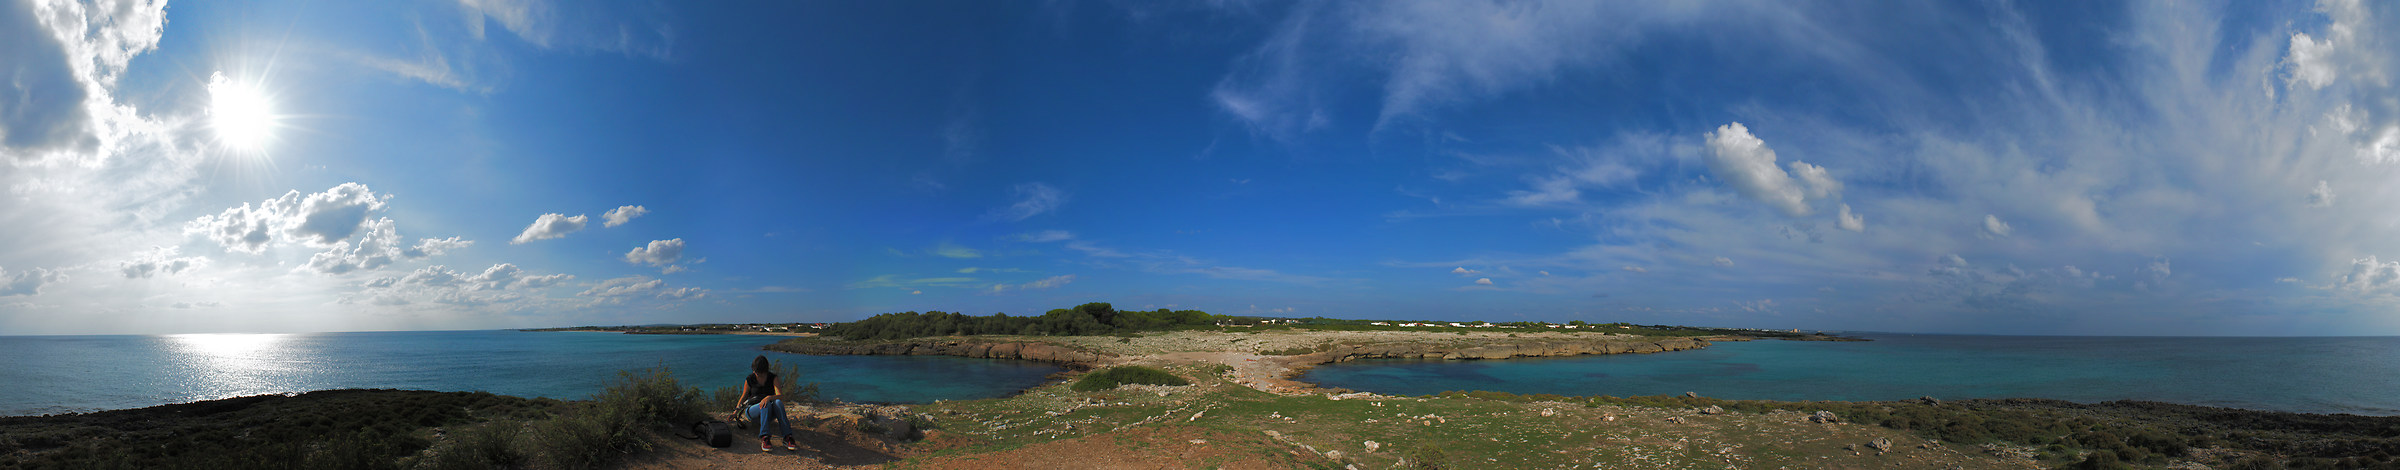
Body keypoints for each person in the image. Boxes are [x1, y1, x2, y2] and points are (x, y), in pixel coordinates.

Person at [739, 355, 798, 452]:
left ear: (765, 371)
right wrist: (735, 411)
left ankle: (787, 436)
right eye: (755, 371)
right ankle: (765, 437)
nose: (756, 374)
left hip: (768, 412)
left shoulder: (772, 378)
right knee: (765, 404)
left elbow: (780, 395)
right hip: (753, 411)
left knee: (777, 402)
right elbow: (744, 396)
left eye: (759, 372)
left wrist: (769, 397)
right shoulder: (750, 379)